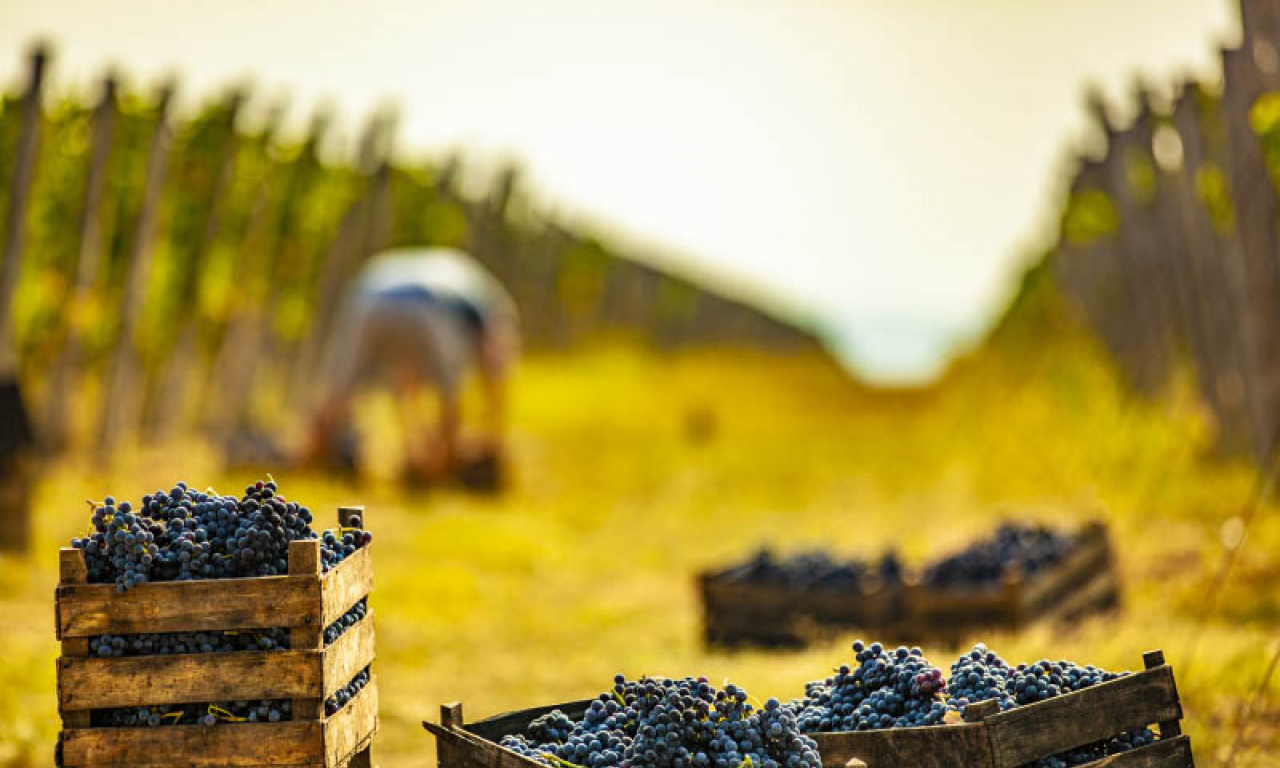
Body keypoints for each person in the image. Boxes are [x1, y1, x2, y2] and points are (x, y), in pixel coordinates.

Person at [303, 247, 519, 481]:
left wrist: (413, 438)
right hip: (427, 304)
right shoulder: (494, 306)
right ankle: (442, 466)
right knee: (450, 396)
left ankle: (311, 452)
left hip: (366, 297)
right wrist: (494, 440)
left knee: (339, 390)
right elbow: (494, 369)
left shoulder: (459, 274)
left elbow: (406, 381)